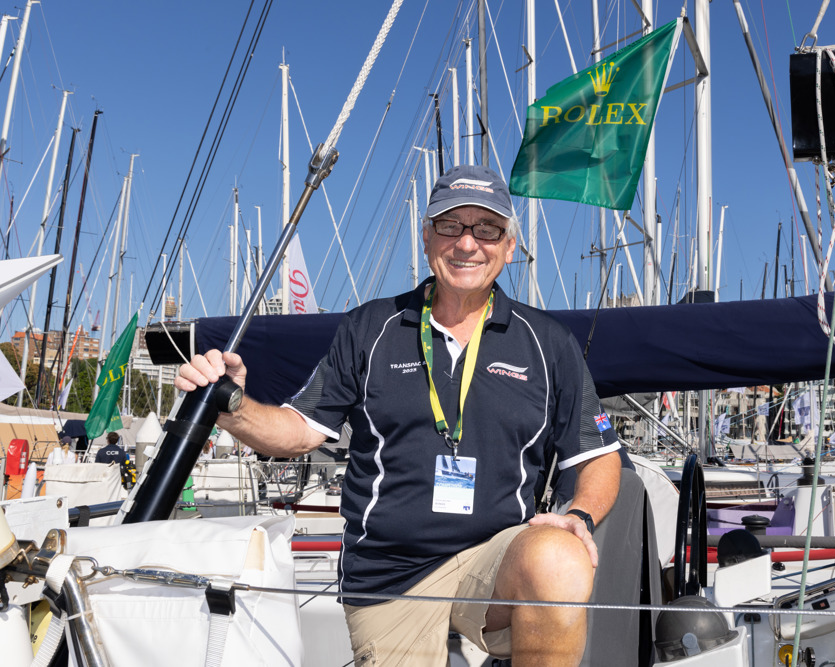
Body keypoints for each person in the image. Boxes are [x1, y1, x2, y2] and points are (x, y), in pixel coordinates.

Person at [176, 164, 622, 666]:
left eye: (487, 229)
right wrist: (232, 405)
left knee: (561, 558)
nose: (467, 243)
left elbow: (599, 456)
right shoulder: (370, 327)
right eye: (450, 225)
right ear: (427, 237)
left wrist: (579, 515)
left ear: (510, 246)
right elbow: (299, 431)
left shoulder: (547, 343)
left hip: (496, 560)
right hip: (389, 576)